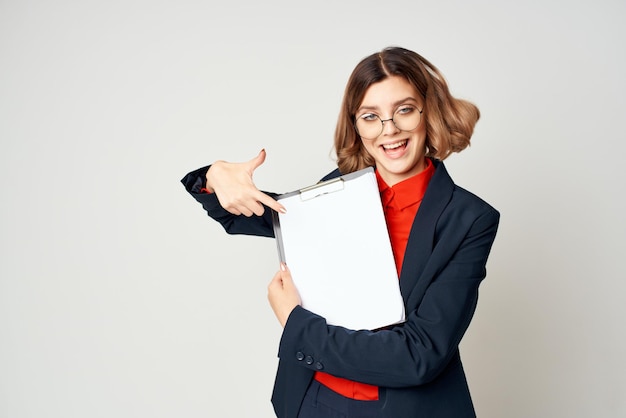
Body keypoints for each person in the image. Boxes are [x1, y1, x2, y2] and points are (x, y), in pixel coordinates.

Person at [181, 46, 500, 418]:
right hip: (314, 400)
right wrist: (214, 177)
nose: (389, 129)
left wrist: (296, 324)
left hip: (403, 409)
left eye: (404, 110)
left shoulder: (470, 219)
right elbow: (252, 214)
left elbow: (419, 354)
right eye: (371, 116)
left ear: (429, 111)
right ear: (356, 125)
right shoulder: (341, 188)